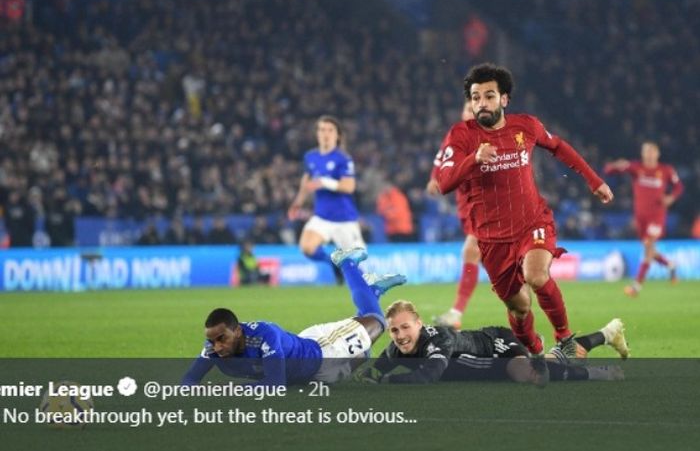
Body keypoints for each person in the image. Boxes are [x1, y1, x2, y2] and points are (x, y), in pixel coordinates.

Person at [435, 63, 614, 356]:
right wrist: (473, 160)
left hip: (533, 222)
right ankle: (534, 347)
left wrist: (593, 180)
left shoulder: (526, 126)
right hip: (492, 239)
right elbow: (443, 183)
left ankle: (565, 338)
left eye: (489, 96)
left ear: (504, 99)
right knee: (519, 308)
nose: (482, 103)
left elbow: (558, 146)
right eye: (476, 97)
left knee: (536, 275)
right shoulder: (461, 136)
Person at [182, 248, 407, 385]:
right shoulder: (214, 348)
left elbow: (275, 383)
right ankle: (372, 291)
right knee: (365, 353)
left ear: (238, 330)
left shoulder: (263, 334)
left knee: (377, 321)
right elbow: (190, 379)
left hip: (324, 348)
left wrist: (226, 389)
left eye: (222, 339)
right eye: (212, 341)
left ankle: (346, 262)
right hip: (312, 376)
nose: (217, 346)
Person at [356, 300, 628, 385]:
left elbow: (430, 374)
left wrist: (387, 381)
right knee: (551, 360)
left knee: (525, 374)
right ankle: (607, 334)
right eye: (394, 330)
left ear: (419, 323)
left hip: (496, 344)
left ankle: (597, 374)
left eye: (405, 327)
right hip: (489, 363)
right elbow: (378, 368)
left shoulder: (438, 340)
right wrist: (366, 374)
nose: (400, 335)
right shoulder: (399, 345)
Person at [287, 115, 365, 284]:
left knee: (357, 271)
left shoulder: (343, 159)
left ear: (337, 135)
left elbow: (349, 186)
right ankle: (335, 263)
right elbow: (306, 181)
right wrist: (298, 202)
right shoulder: (310, 157)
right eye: (322, 130)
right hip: (322, 216)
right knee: (307, 247)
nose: (325, 134)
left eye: (330, 130)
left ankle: (370, 300)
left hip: (344, 219)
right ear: (317, 133)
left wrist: (325, 182)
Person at [604, 142, 684, 297]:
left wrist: (671, 198)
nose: (649, 154)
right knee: (650, 248)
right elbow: (609, 170)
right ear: (642, 154)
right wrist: (615, 165)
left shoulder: (666, 170)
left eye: (652, 151)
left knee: (648, 246)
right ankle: (670, 265)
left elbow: (679, 186)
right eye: (646, 151)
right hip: (640, 216)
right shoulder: (636, 168)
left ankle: (636, 286)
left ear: (658, 153)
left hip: (657, 215)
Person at [427, 101, 481, 329]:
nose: (470, 114)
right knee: (506, 273)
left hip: (486, 204)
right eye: (467, 109)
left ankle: (455, 313)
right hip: (465, 205)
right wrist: (434, 177)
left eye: (474, 110)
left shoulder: (490, 136)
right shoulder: (455, 134)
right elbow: (442, 158)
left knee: (470, 251)